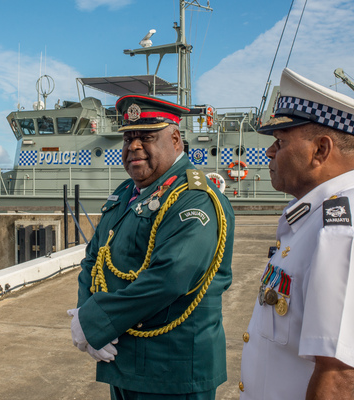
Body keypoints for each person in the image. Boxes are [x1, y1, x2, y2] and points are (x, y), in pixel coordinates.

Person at [69, 94, 235, 399]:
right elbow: (95, 258)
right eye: (129, 137)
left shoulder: (194, 198)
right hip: (126, 363)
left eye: (146, 137)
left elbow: (170, 276)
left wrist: (95, 321)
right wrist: (84, 310)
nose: (133, 146)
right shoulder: (126, 192)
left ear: (175, 140)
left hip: (171, 371)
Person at [239, 68, 354, 399]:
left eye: (281, 141)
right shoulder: (315, 218)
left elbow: (339, 376)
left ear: (320, 150)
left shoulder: (339, 230)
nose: (271, 152)